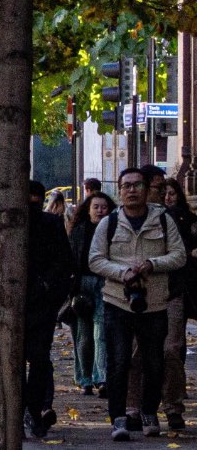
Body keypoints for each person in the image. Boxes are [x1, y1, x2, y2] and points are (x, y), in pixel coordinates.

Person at [0, 180, 74, 440]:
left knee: (38, 359)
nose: (33, 202)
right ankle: (22, 410)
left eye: (37, 197)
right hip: (9, 304)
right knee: (13, 358)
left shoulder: (50, 225)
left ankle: (33, 409)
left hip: (40, 306)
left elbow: (64, 264)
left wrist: (48, 291)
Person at [90, 166, 187, 440]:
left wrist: (151, 265)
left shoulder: (165, 221)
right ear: (119, 191)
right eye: (126, 186)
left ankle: (148, 412)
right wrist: (123, 273)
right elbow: (95, 259)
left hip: (155, 303)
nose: (131, 190)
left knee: (155, 361)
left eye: (137, 185)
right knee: (119, 361)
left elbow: (179, 255)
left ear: (147, 190)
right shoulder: (108, 223)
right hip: (117, 302)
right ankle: (118, 419)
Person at [69, 191, 114, 397]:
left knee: (102, 332)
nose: (100, 210)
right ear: (88, 209)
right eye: (96, 207)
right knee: (84, 335)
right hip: (82, 286)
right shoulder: (78, 230)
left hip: (106, 283)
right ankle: (85, 378)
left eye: (103, 207)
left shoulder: (114, 230)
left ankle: (101, 378)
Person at [161, 178, 195, 430]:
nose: (168, 198)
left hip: (177, 290)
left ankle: (173, 406)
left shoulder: (186, 220)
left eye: (172, 193)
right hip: (148, 292)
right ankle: (139, 407)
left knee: (173, 347)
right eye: (164, 193)